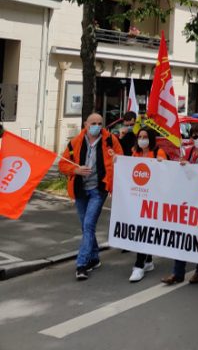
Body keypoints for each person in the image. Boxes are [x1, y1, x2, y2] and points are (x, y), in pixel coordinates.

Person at [59, 113, 123, 280]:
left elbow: (122, 159)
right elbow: (63, 164)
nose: (96, 125)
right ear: (86, 124)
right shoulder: (75, 142)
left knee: (88, 225)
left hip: (98, 189)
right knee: (86, 227)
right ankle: (94, 258)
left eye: (100, 123)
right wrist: (76, 170)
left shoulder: (111, 140)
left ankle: (82, 264)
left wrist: (117, 158)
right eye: (93, 123)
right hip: (80, 190)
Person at [161, 123, 198, 285]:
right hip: (188, 200)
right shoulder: (189, 152)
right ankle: (177, 273)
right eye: (195, 136)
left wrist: (193, 169)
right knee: (182, 235)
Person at [128, 128, 168, 282]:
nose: (142, 139)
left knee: (144, 230)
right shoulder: (135, 152)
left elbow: (166, 173)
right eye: (140, 137)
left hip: (154, 199)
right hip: (139, 197)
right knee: (143, 229)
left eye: (145, 137)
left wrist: (161, 165)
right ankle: (148, 261)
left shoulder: (159, 152)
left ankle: (139, 265)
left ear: (151, 139)